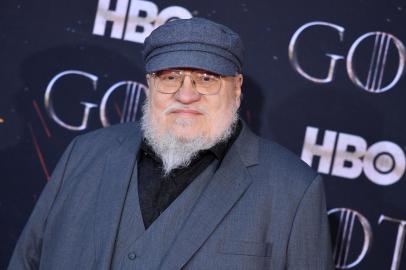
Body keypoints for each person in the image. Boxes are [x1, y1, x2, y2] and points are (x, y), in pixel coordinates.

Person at [8, 17, 333, 270]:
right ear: (149, 85)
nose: (186, 93)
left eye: (207, 78)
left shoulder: (293, 191)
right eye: (170, 76)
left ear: (236, 89)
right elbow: (27, 260)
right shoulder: (85, 153)